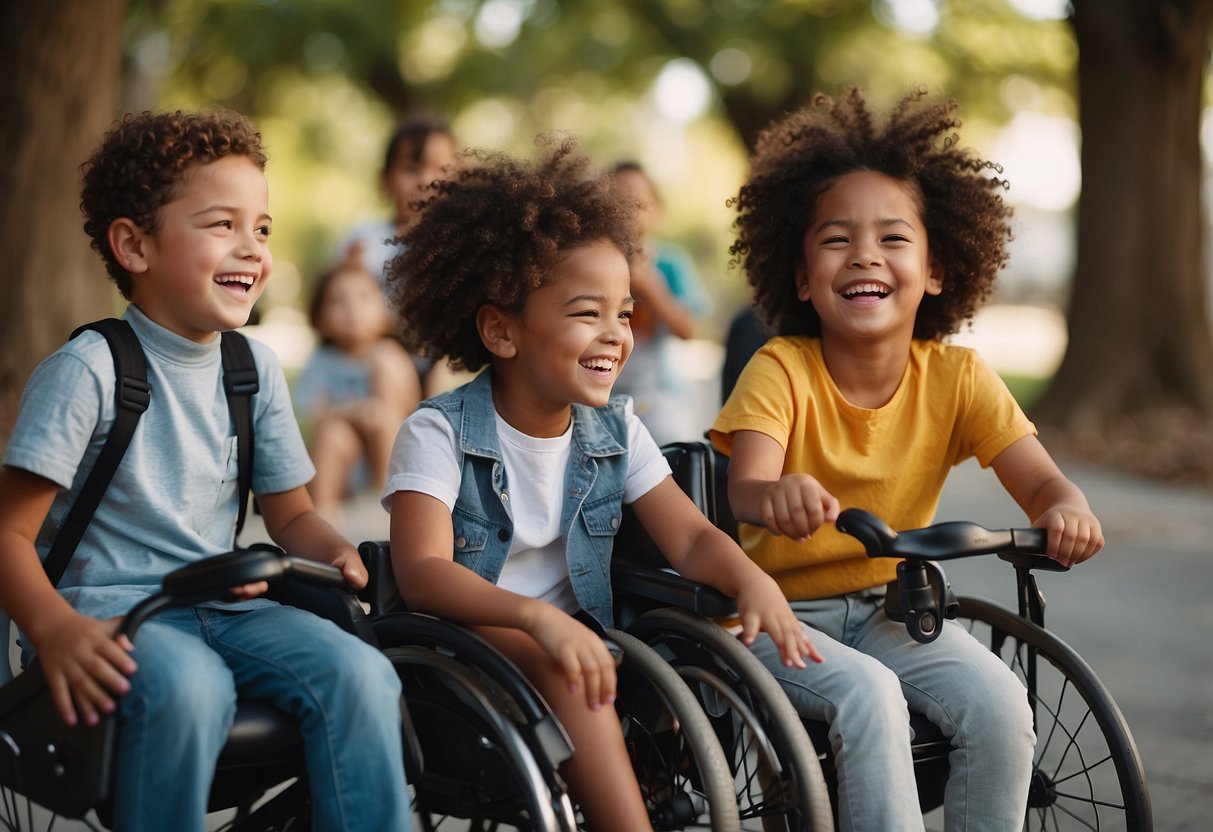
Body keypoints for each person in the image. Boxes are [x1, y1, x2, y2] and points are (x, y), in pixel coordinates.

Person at [381, 138, 820, 832]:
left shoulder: (616, 428)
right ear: (500, 330)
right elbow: (424, 572)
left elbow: (693, 535)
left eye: (623, 313)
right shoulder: (437, 432)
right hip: (464, 650)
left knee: (699, 641)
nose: (616, 334)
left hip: (583, 638)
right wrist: (534, 617)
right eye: (587, 313)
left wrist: (750, 579)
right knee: (568, 668)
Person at [0, 110, 412, 831]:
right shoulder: (87, 370)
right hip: (109, 615)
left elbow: (291, 516)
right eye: (222, 225)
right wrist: (55, 629)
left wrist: (332, 550)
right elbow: (8, 532)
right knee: (189, 687)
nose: (252, 250)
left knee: (361, 674)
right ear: (134, 244)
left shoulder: (252, 370)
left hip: (227, 605)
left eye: (262, 229)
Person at [711, 87, 1105, 832]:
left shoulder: (958, 378)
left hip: (894, 611)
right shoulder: (781, 368)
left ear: (934, 270)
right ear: (799, 278)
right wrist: (776, 494)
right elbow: (745, 486)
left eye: (892, 238)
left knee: (997, 703)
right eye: (835, 240)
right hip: (778, 616)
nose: (864, 253)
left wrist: (1063, 507)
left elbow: (1039, 479)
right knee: (866, 696)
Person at [294, 254, 420, 523]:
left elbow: (411, 408)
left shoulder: (390, 355)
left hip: (389, 453)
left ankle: (389, 506)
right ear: (320, 319)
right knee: (333, 433)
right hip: (345, 464)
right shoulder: (321, 362)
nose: (352, 309)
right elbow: (314, 414)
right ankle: (321, 516)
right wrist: (358, 411)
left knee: (382, 411)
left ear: (384, 311)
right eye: (338, 301)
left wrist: (380, 402)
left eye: (363, 298)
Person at [342, 113, 460, 397]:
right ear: (384, 180)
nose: (426, 181)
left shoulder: (459, 244)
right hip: (376, 366)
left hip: (440, 366)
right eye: (411, 169)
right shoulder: (365, 241)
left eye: (441, 169)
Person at [609, 161, 713, 444]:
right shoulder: (596, 265)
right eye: (616, 200)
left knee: (673, 448)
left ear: (657, 212)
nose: (627, 209)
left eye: (637, 201)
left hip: (659, 393)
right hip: (603, 393)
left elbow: (687, 330)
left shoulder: (669, 263)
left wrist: (648, 285)